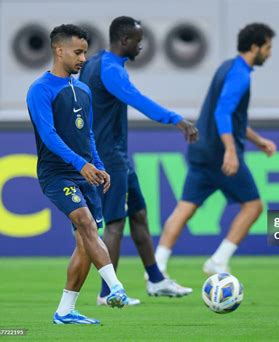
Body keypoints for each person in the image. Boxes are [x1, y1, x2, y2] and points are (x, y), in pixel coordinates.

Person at [79, 16, 198, 305]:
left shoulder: (97, 63)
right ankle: (108, 293)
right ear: (124, 41)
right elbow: (137, 99)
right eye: (138, 40)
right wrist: (176, 120)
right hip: (108, 157)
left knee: (139, 215)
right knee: (116, 224)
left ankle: (156, 281)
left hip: (116, 155)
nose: (140, 46)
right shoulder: (110, 70)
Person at [155, 23, 277, 275]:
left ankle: (157, 266)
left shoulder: (227, 67)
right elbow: (223, 113)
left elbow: (233, 118)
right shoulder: (241, 76)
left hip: (201, 151)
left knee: (185, 208)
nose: (270, 53)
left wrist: (258, 141)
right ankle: (218, 261)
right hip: (220, 155)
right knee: (253, 206)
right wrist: (230, 151)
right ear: (255, 47)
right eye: (268, 47)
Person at [26, 24, 129, 325]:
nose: (83, 58)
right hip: (56, 174)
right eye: (78, 52)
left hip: (85, 173)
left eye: (85, 52)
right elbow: (48, 135)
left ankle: (65, 311)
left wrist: (97, 165)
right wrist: (79, 164)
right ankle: (116, 287)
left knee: (86, 242)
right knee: (85, 223)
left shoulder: (83, 90)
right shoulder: (40, 90)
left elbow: (90, 137)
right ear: (59, 51)